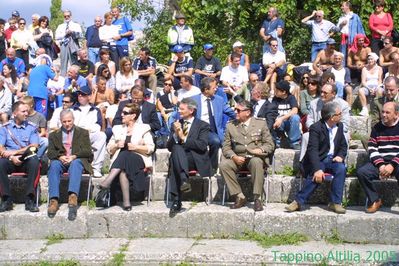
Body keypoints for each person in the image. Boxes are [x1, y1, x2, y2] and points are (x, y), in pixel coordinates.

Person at [286, 101, 347, 214]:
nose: (341, 116)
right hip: (319, 159)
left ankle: (335, 202)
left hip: (333, 159)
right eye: (339, 114)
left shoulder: (340, 126)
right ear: (332, 117)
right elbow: (312, 150)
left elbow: (343, 145)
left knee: (341, 169)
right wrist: (317, 169)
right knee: (317, 175)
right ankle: (298, 201)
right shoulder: (316, 128)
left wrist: (340, 156)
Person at [219, 100, 274, 212]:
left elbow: (270, 144)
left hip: (254, 157)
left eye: (238, 110)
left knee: (256, 162)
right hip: (237, 158)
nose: (235, 112)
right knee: (224, 165)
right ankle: (240, 196)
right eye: (235, 109)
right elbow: (226, 147)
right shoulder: (231, 125)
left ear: (248, 112)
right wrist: (234, 156)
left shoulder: (260, 123)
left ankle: (257, 198)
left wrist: (260, 149)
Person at [98, 102, 154, 210]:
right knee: (123, 166)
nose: (121, 115)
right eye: (121, 112)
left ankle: (107, 181)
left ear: (133, 116)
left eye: (125, 113)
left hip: (138, 160)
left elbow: (151, 148)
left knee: (127, 153)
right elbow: (109, 149)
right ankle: (126, 203)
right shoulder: (117, 129)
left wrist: (136, 147)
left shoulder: (144, 128)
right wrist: (116, 145)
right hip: (122, 164)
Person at [167, 97, 211, 213]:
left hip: (194, 158)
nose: (179, 111)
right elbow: (169, 147)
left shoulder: (203, 125)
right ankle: (183, 180)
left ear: (191, 110)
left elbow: (202, 145)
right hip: (179, 157)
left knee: (176, 158)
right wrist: (176, 135)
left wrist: (183, 138)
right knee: (176, 149)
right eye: (179, 109)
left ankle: (177, 199)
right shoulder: (175, 125)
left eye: (182, 109)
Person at [47, 109, 93, 220]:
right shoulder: (54, 135)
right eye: (64, 122)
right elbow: (50, 152)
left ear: (73, 120)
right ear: (60, 121)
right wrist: (60, 156)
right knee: (54, 165)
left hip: (76, 159)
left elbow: (88, 151)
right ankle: (54, 199)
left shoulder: (83, 132)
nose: (67, 124)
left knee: (76, 164)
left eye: (69, 121)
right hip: (62, 160)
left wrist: (74, 156)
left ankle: (73, 196)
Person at [357, 102, 399, 213]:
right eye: (383, 112)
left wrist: (392, 164)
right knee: (362, 172)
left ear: (396, 114)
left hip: (396, 163)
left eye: (387, 112)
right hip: (381, 162)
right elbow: (372, 147)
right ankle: (375, 200)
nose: (384, 115)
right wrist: (380, 165)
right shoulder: (377, 127)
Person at [0, 101, 40, 212]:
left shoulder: (32, 128)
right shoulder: (5, 128)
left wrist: (14, 153)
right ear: (14, 113)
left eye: (27, 111)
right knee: (0, 163)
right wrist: (11, 157)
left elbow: (34, 146)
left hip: (26, 159)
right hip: (10, 160)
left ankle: (30, 199)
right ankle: (6, 199)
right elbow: (1, 148)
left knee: (34, 161)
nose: (26, 113)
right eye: (23, 111)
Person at [191, 77, 236, 170]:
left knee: (225, 142)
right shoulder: (193, 100)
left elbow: (230, 111)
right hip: (199, 130)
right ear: (206, 89)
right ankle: (206, 166)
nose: (216, 89)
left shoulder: (219, 100)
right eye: (214, 87)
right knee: (210, 142)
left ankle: (218, 167)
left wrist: (242, 116)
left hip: (214, 131)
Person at [72, 86, 106, 178]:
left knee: (102, 135)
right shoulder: (72, 110)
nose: (80, 96)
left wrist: (88, 130)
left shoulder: (95, 110)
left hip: (90, 134)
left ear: (89, 96)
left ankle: (96, 168)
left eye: (83, 94)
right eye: (79, 94)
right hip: (75, 136)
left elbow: (98, 126)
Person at [272, 80, 301, 149]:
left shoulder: (291, 98)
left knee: (295, 117)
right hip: (279, 124)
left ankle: (294, 142)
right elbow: (272, 111)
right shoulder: (275, 99)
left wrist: (281, 118)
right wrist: (278, 119)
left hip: (289, 123)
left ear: (284, 92)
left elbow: (295, 110)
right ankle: (278, 141)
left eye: (277, 90)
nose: (275, 91)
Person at [55, 10, 82, 76]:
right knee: (63, 63)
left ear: (71, 16)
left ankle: (75, 77)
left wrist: (72, 32)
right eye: (65, 16)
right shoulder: (60, 26)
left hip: (73, 45)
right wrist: (65, 33)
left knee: (74, 63)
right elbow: (56, 37)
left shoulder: (76, 25)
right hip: (64, 45)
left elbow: (80, 35)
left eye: (68, 16)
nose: (66, 17)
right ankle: (63, 78)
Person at [358, 52, 384, 116]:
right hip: (367, 86)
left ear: (375, 60)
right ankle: (364, 109)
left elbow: (380, 80)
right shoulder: (364, 68)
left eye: (371, 59)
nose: (370, 61)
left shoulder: (379, 68)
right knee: (360, 90)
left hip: (377, 86)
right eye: (368, 59)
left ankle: (379, 109)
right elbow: (363, 81)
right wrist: (369, 89)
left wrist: (376, 88)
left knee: (380, 91)